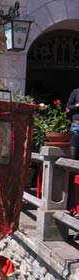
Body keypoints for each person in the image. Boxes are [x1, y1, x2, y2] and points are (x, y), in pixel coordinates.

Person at [65, 88, 79, 217]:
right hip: (76, 126)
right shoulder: (75, 92)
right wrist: (77, 106)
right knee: (72, 158)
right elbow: (67, 108)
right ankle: (71, 203)